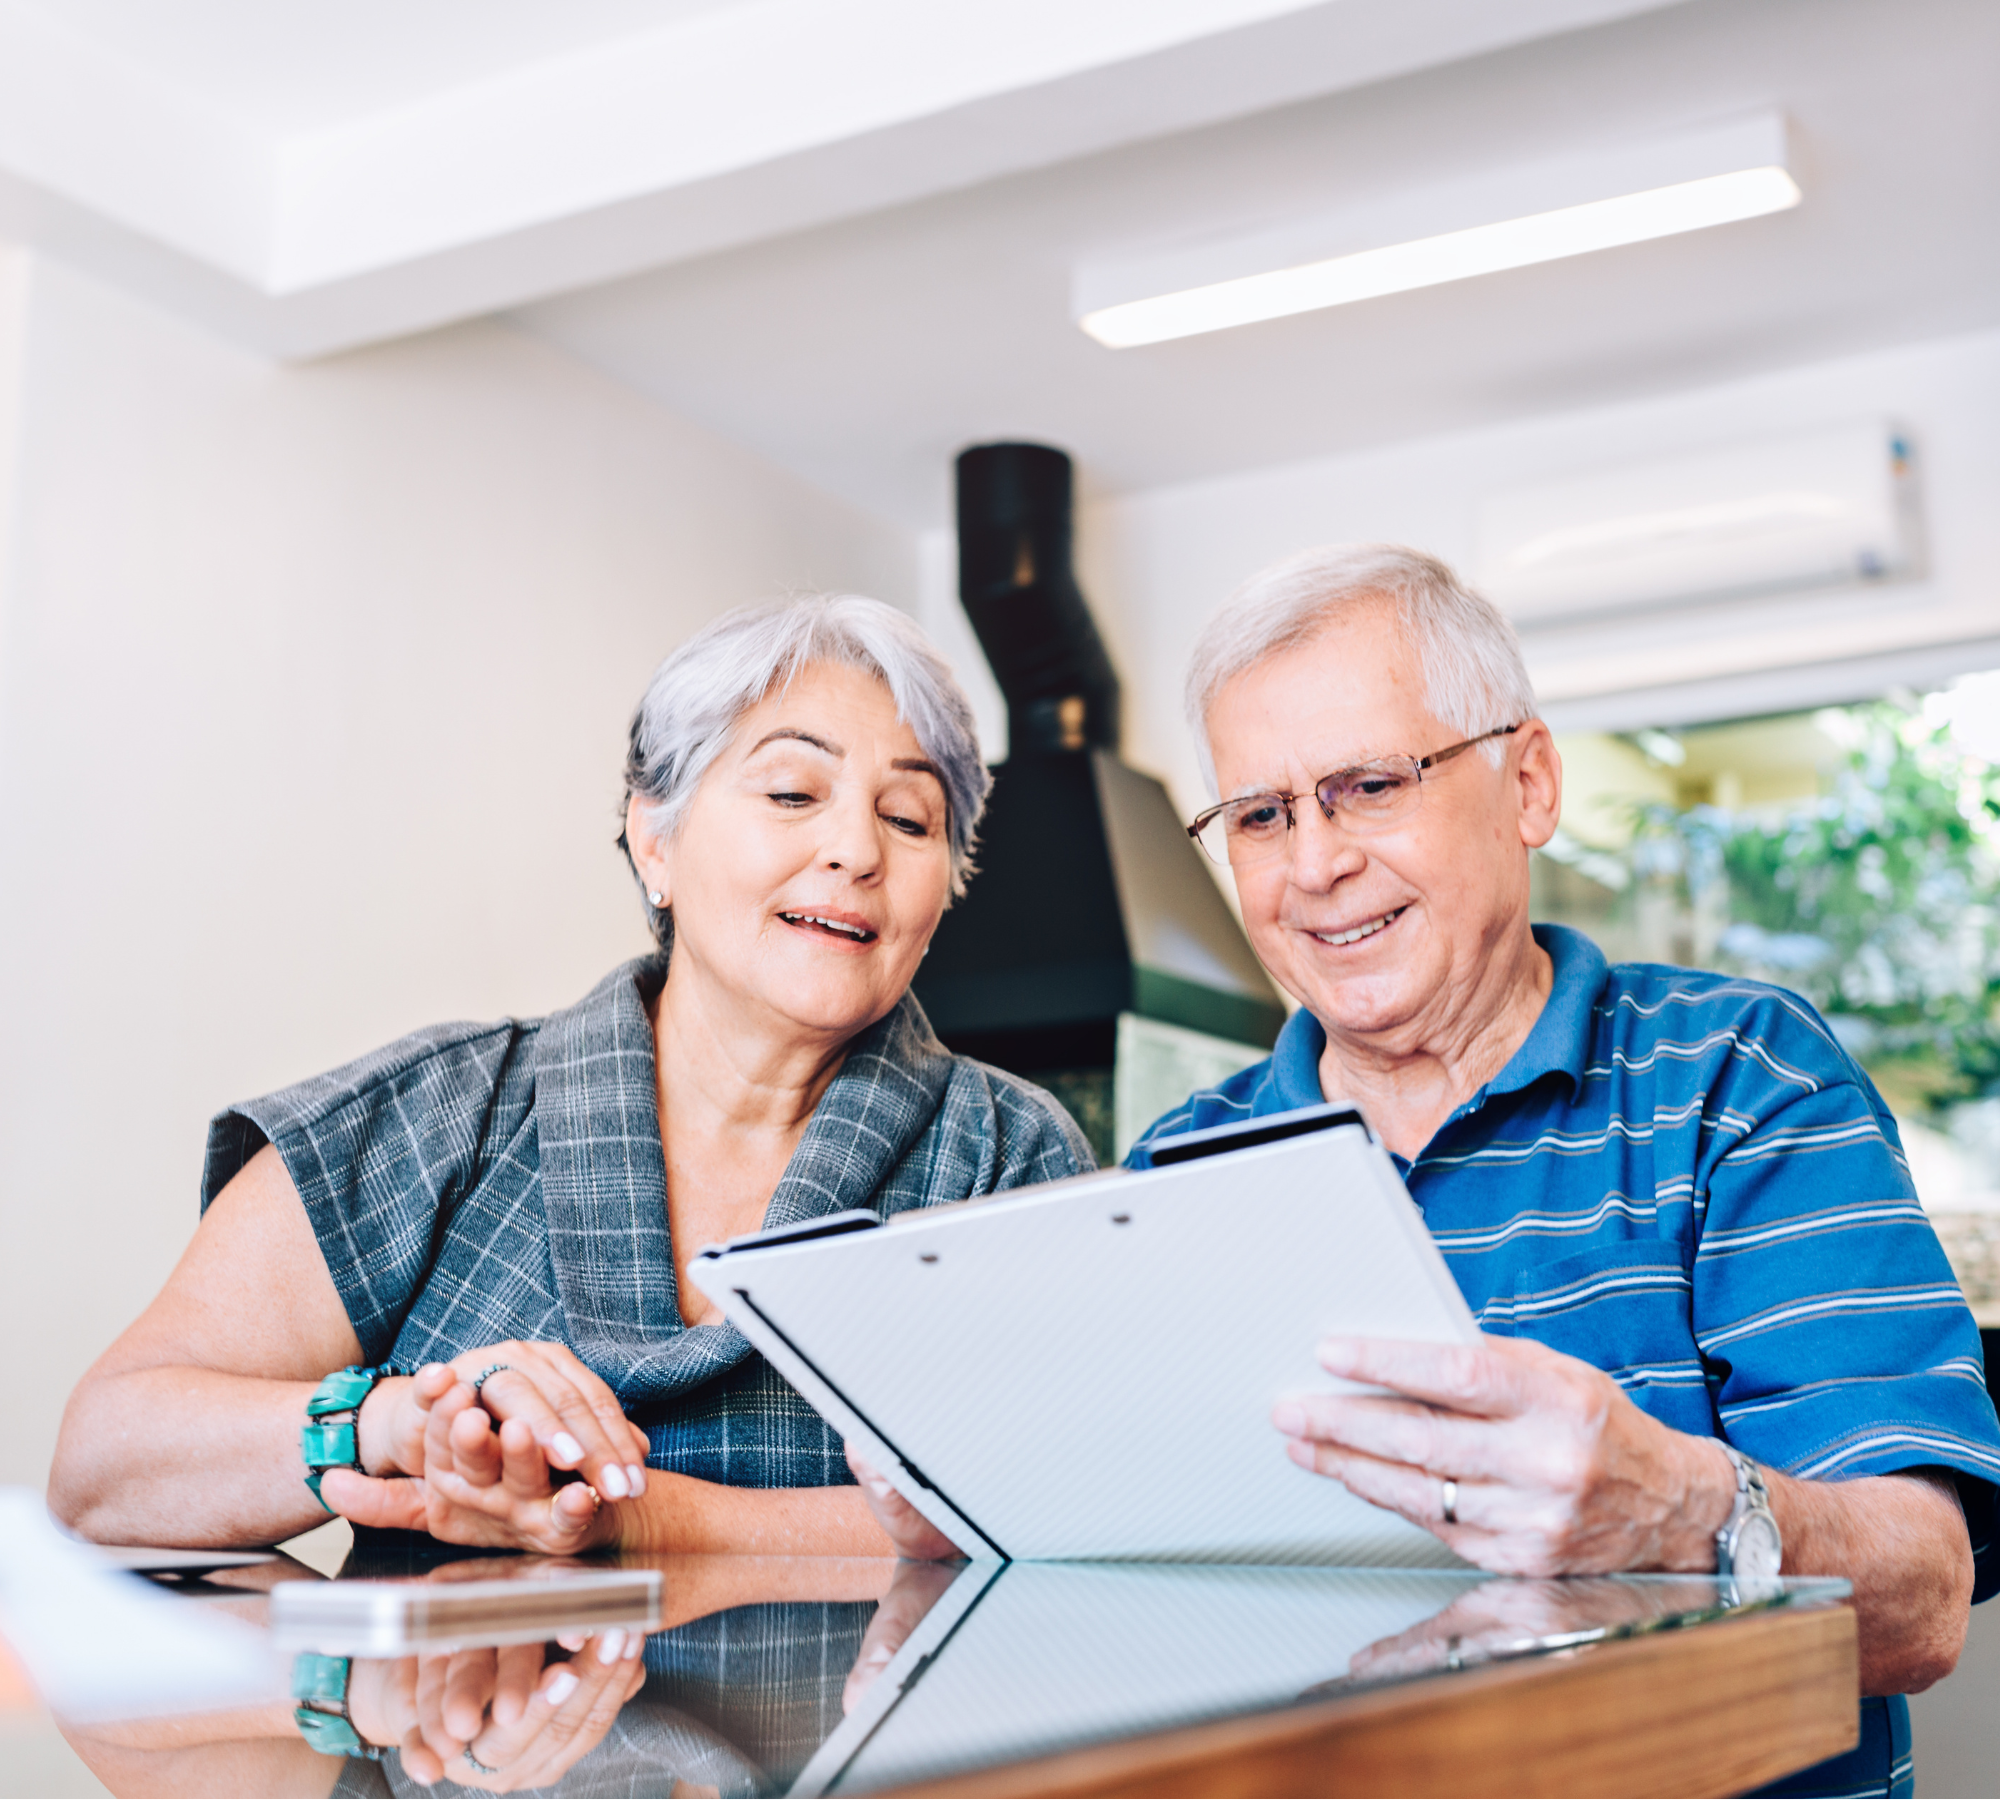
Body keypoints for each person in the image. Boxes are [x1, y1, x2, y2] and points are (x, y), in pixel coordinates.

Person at [851, 543, 2000, 1797]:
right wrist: (986, 1535)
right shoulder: (1181, 1164)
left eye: (1365, 785)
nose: (1312, 865)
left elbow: (1921, 1602)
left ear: (1527, 785)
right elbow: (1164, 1620)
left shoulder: (1740, 1077)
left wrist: (1686, 1512)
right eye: (1259, 815)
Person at [50, 593, 1091, 1573]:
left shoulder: (1009, 1155)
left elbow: (1076, 1506)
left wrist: (645, 1522)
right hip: (467, 1750)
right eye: (790, 792)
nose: (856, 849)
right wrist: (397, 1422)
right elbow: (102, 1466)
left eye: (910, 821)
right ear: (656, 840)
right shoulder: (442, 1112)